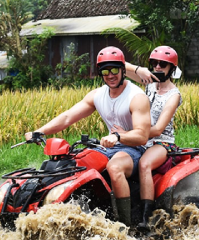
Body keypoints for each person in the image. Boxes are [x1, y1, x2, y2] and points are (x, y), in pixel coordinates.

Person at [24, 46, 151, 227]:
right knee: (74, 165)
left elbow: (142, 135)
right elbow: (68, 116)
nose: (110, 75)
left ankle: (125, 226)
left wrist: (118, 137)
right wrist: (40, 131)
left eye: (114, 69)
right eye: (105, 71)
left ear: (124, 70)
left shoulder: (136, 96)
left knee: (114, 168)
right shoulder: (97, 95)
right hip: (108, 147)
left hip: (134, 149)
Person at [121, 46, 183, 229]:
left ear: (171, 68)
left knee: (144, 164)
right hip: (140, 138)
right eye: (154, 63)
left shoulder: (174, 95)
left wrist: (126, 135)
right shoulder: (149, 83)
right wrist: (140, 70)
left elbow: (157, 129)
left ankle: (146, 217)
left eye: (162, 64)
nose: (157, 67)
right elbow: (119, 66)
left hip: (162, 141)